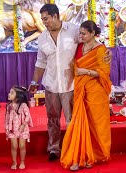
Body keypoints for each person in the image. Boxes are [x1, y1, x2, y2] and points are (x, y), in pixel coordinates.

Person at [29, 4, 112, 161]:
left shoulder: (73, 31)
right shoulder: (42, 38)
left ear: (55, 16)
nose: (44, 22)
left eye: (46, 19)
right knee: (52, 119)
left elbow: (91, 45)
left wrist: (108, 52)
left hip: (71, 85)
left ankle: (73, 149)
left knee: (72, 120)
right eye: (42, 19)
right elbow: (40, 62)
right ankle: (54, 149)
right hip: (51, 85)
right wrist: (34, 80)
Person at [60, 20, 112, 171]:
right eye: (80, 33)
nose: (80, 36)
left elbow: (104, 73)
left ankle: (95, 155)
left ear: (93, 34)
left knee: (96, 124)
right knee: (81, 123)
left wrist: (85, 71)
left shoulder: (101, 49)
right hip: (81, 89)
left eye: (84, 34)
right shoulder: (79, 47)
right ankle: (82, 155)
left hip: (96, 92)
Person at [5, 86, 33, 170]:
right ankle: (14, 162)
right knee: (14, 146)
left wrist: (23, 125)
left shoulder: (23, 105)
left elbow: (28, 116)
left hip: (23, 129)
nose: (9, 94)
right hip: (12, 129)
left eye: (12, 92)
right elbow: (6, 117)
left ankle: (22, 161)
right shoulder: (9, 106)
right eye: (10, 92)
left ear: (18, 96)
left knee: (22, 146)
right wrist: (6, 128)